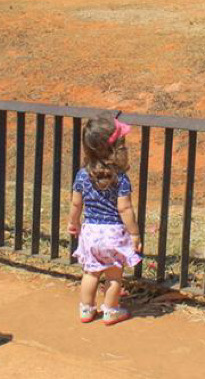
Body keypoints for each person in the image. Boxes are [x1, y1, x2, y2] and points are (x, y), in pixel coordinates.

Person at [67, 113, 142, 326]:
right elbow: (124, 208)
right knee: (114, 276)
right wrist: (134, 233)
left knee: (90, 274)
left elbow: (76, 204)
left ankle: (86, 310)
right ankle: (111, 311)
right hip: (114, 234)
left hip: (90, 232)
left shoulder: (82, 175)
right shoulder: (120, 178)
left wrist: (73, 223)